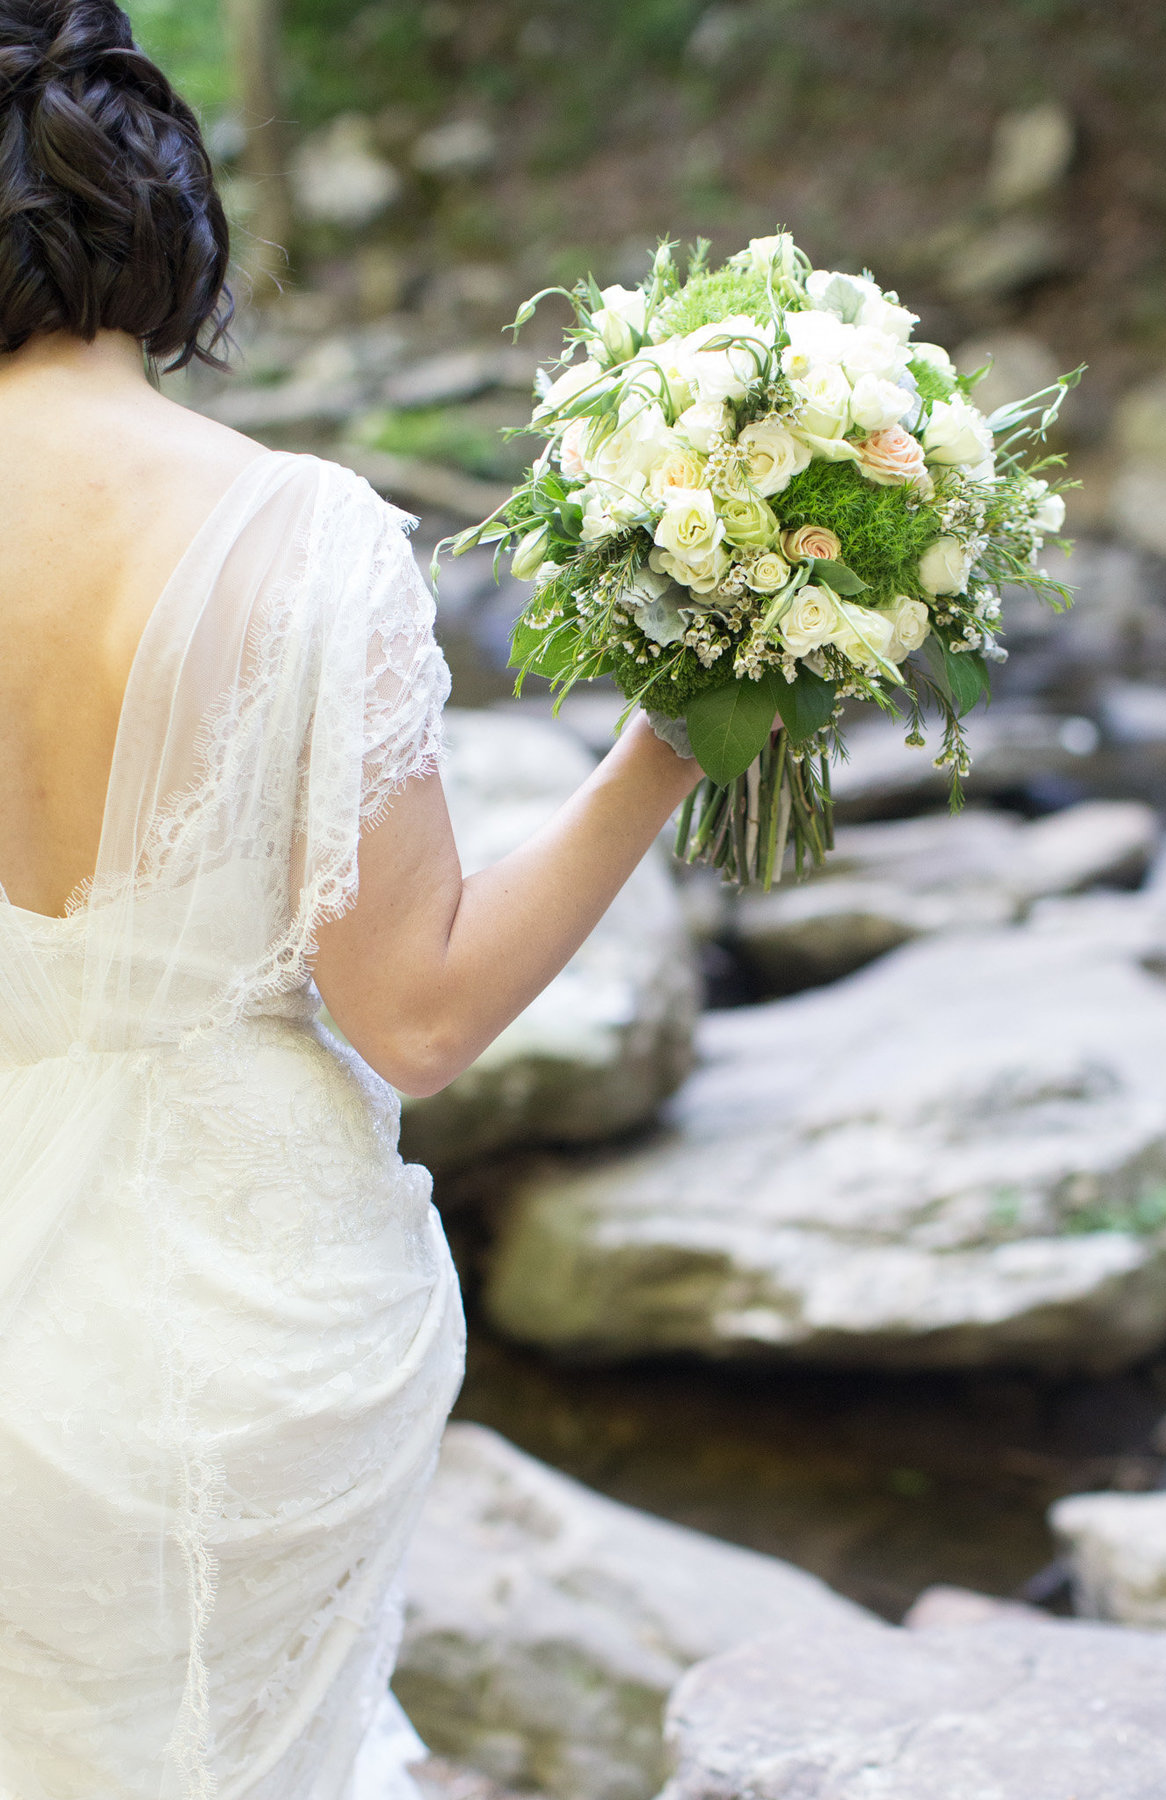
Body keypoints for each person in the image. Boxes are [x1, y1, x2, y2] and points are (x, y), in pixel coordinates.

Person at [0, 4, 701, 1796]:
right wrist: (664, 756)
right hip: (245, 1335)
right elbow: (421, 1014)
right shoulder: (302, 534)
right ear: (158, 195)